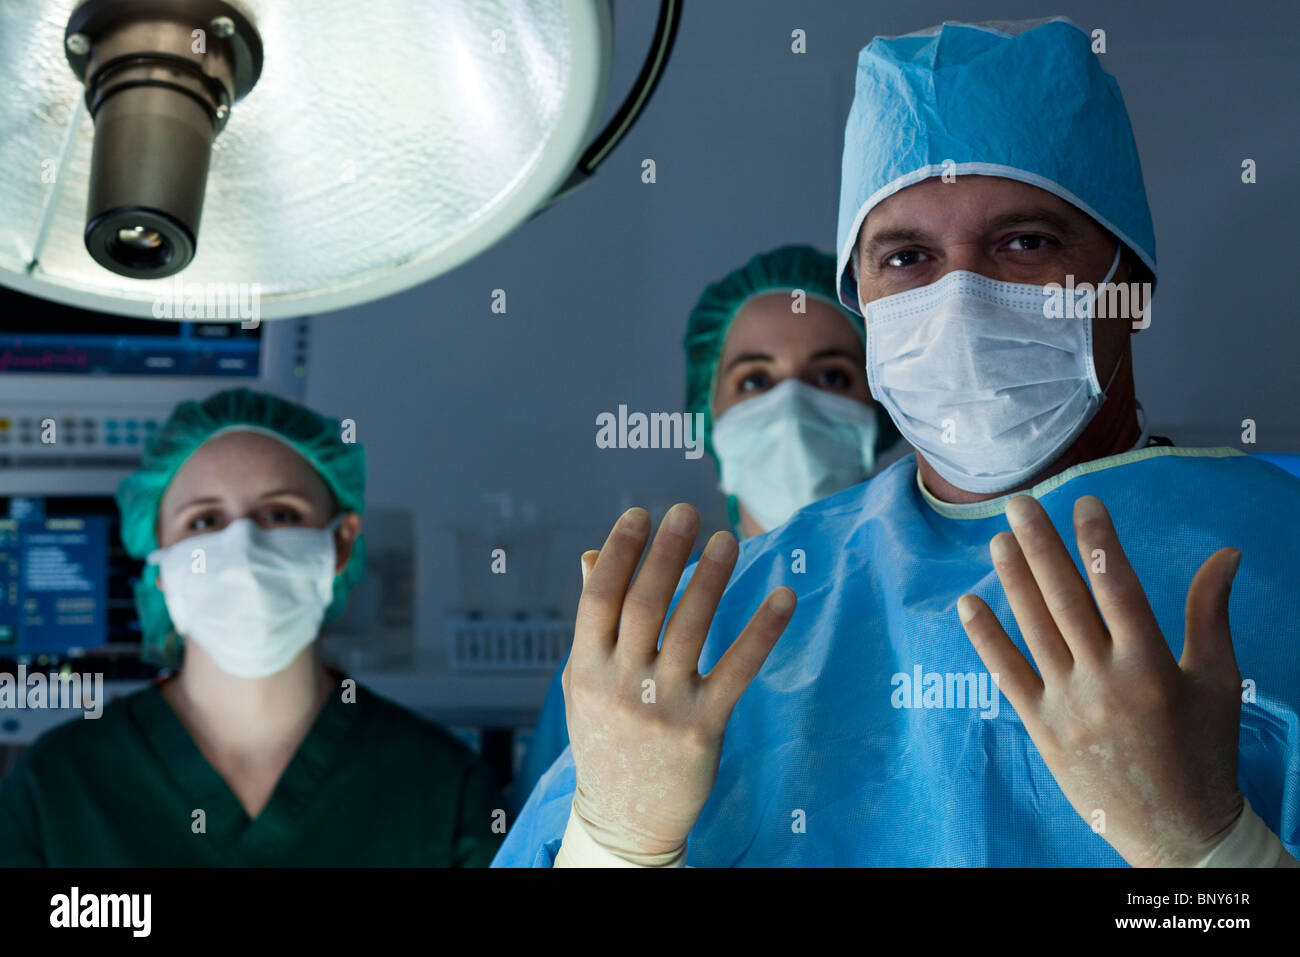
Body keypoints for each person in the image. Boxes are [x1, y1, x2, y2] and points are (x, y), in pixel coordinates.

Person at [495, 18, 1300, 867]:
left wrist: (1214, 857)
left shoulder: (1281, 559)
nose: (958, 296)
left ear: (1128, 286)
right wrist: (616, 843)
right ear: (864, 303)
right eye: (908, 256)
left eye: (1023, 243)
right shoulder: (734, 617)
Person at [0, 388, 503, 866]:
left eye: (280, 514)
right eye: (203, 521)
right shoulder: (57, 788)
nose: (243, 550)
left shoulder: (440, 788)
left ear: (342, 542)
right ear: (159, 560)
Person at [507, 245, 902, 814]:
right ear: (709, 421)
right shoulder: (633, 644)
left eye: (831, 375)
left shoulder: (928, 616)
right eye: (753, 381)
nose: (791, 404)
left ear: (877, 405)